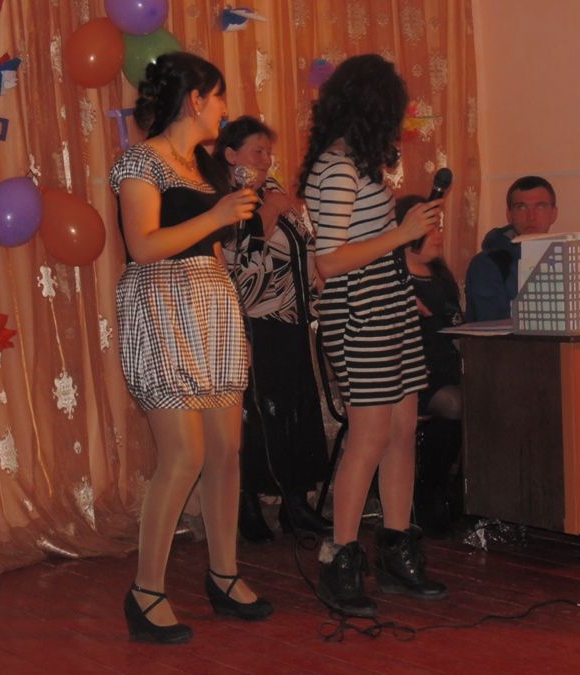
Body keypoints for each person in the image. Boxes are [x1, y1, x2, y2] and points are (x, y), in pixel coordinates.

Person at [109, 52, 273, 645]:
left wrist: (235, 220)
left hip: (211, 304)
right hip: (160, 303)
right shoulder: (139, 161)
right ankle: (146, 592)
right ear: (196, 99)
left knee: (226, 451)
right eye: (219, 95)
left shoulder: (206, 166)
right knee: (184, 454)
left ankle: (224, 575)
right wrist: (218, 215)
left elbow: (213, 247)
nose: (225, 108)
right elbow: (144, 246)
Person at [297, 54, 448, 617]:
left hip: (386, 305)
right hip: (359, 311)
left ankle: (396, 549)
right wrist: (403, 233)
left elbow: (363, 245)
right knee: (370, 435)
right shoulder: (337, 168)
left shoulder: (356, 165)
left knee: (403, 430)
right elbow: (330, 262)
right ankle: (340, 557)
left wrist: (401, 256)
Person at [213, 116, 331, 543]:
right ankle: (247, 505)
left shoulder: (272, 190)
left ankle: (295, 504)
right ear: (231, 155)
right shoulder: (224, 199)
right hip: (254, 322)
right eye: (257, 152)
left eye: (268, 152)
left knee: (298, 410)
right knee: (259, 417)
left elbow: (304, 244)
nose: (266, 160)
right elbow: (239, 256)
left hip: (293, 318)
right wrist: (271, 210)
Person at [397, 194, 464, 537]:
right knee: (455, 403)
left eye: (439, 227)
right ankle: (429, 490)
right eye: (431, 228)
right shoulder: (395, 281)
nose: (439, 235)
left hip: (448, 369)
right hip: (412, 377)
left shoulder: (441, 277)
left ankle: (463, 493)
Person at [464, 176, 558, 322]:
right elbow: (494, 322)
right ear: (509, 215)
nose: (531, 217)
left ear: (554, 214)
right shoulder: (487, 264)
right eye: (521, 207)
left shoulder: (564, 257)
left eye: (540, 207)